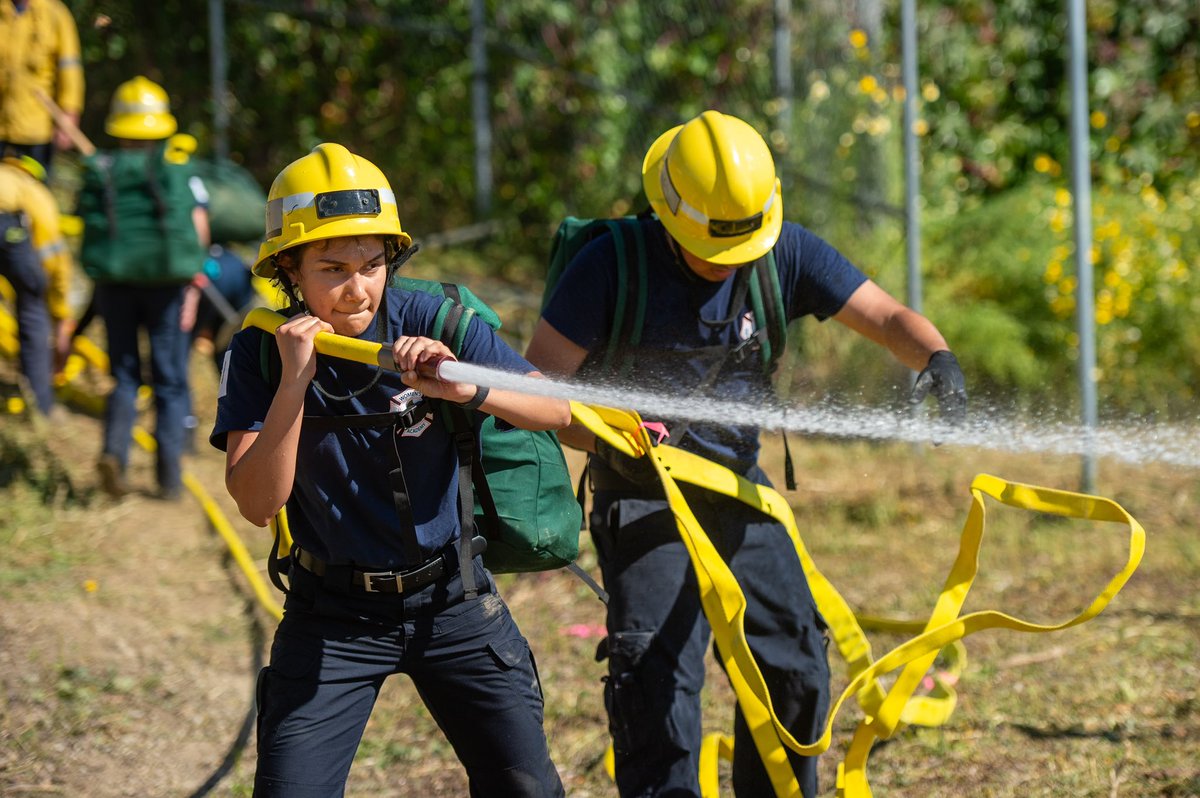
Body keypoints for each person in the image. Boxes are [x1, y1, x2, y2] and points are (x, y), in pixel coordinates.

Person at [524, 110, 967, 798]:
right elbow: (537, 391)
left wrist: (934, 355)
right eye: (712, 249)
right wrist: (611, 430)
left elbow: (883, 315)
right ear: (669, 216)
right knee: (658, 682)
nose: (732, 264)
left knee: (796, 667)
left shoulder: (782, 250)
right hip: (642, 499)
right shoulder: (610, 264)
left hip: (739, 490)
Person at [210, 142, 569, 797]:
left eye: (373, 264)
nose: (358, 287)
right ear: (289, 267)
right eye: (333, 267)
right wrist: (295, 384)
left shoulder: (437, 320)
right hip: (332, 615)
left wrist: (464, 387)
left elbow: (556, 410)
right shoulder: (260, 351)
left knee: (527, 788)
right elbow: (258, 501)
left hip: (451, 600)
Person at [76, 76, 209, 499]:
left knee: (125, 374)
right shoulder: (176, 170)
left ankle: (114, 452)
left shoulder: (101, 169)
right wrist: (193, 286)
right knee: (170, 379)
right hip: (167, 285)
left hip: (115, 285)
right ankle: (168, 480)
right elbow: (196, 228)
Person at [0, 154, 74, 414]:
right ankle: (40, 406)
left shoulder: (5, 176)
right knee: (33, 312)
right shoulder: (31, 189)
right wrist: (61, 312)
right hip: (8, 230)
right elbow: (52, 250)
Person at [0, 0, 84, 173]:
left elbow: (70, 69)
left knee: (35, 192)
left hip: (35, 131)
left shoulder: (55, 13)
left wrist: (68, 117)